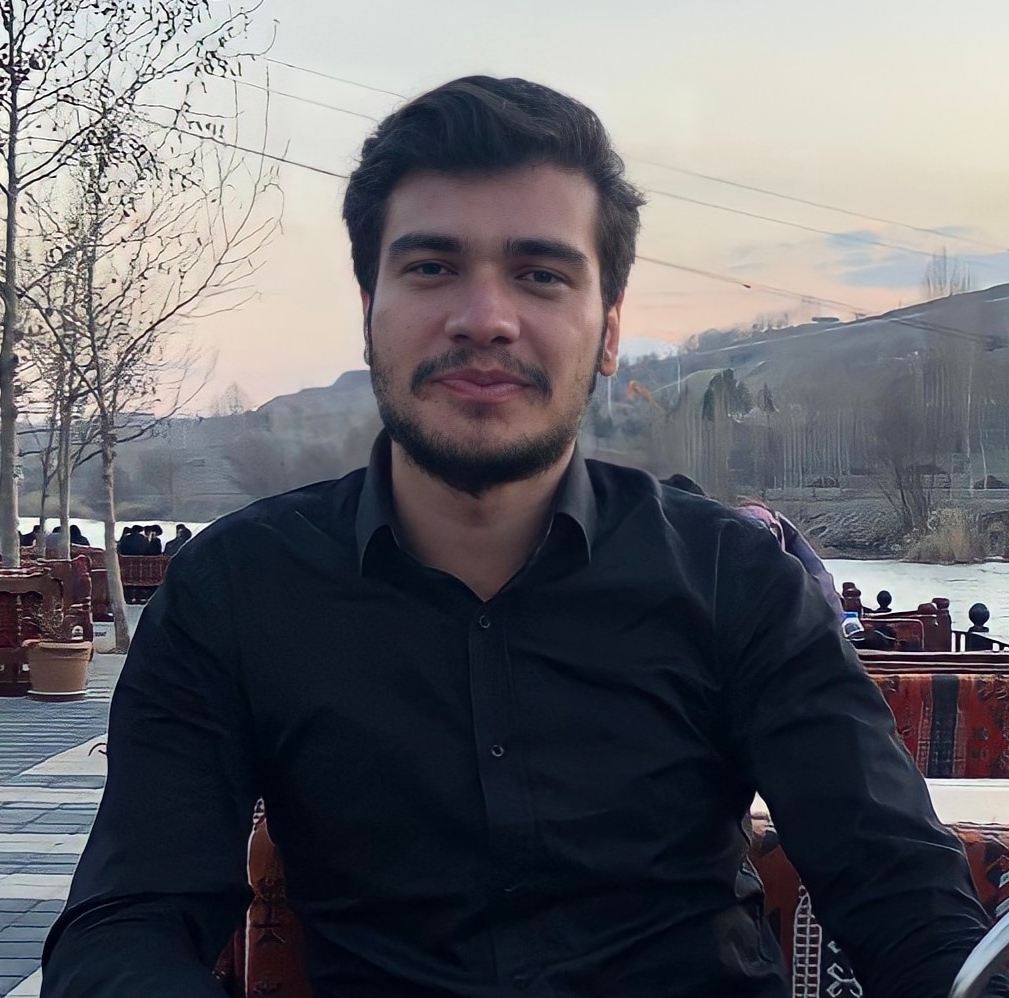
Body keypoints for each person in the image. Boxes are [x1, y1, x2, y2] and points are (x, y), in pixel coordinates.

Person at [42, 76, 1006, 998]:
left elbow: (893, 883)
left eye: (540, 274)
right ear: (369, 311)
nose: (485, 319)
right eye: (431, 267)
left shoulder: (734, 578)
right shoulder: (234, 590)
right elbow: (127, 922)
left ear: (609, 329)